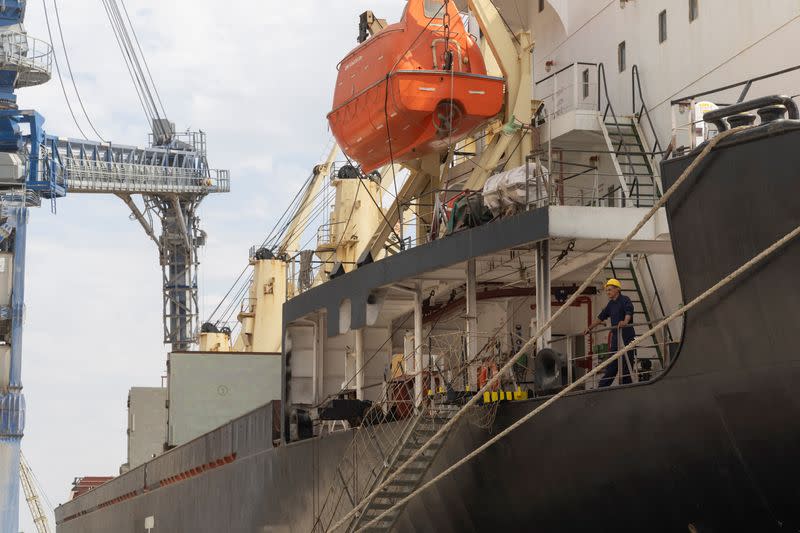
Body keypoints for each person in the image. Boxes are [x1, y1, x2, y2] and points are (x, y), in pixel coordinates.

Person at [584, 279, 636, 387]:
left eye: (610, 290)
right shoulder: (611, 304)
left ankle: (627, 388)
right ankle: (602, 388)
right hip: (616, 338)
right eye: (607, 290)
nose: (608, 292)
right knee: (612, 364)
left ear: (617, 289)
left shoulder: (625, 300)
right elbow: (601, 317)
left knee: (627, 364)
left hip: (627, 336)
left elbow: (629, 311)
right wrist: (590, 328)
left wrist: (625, 322)